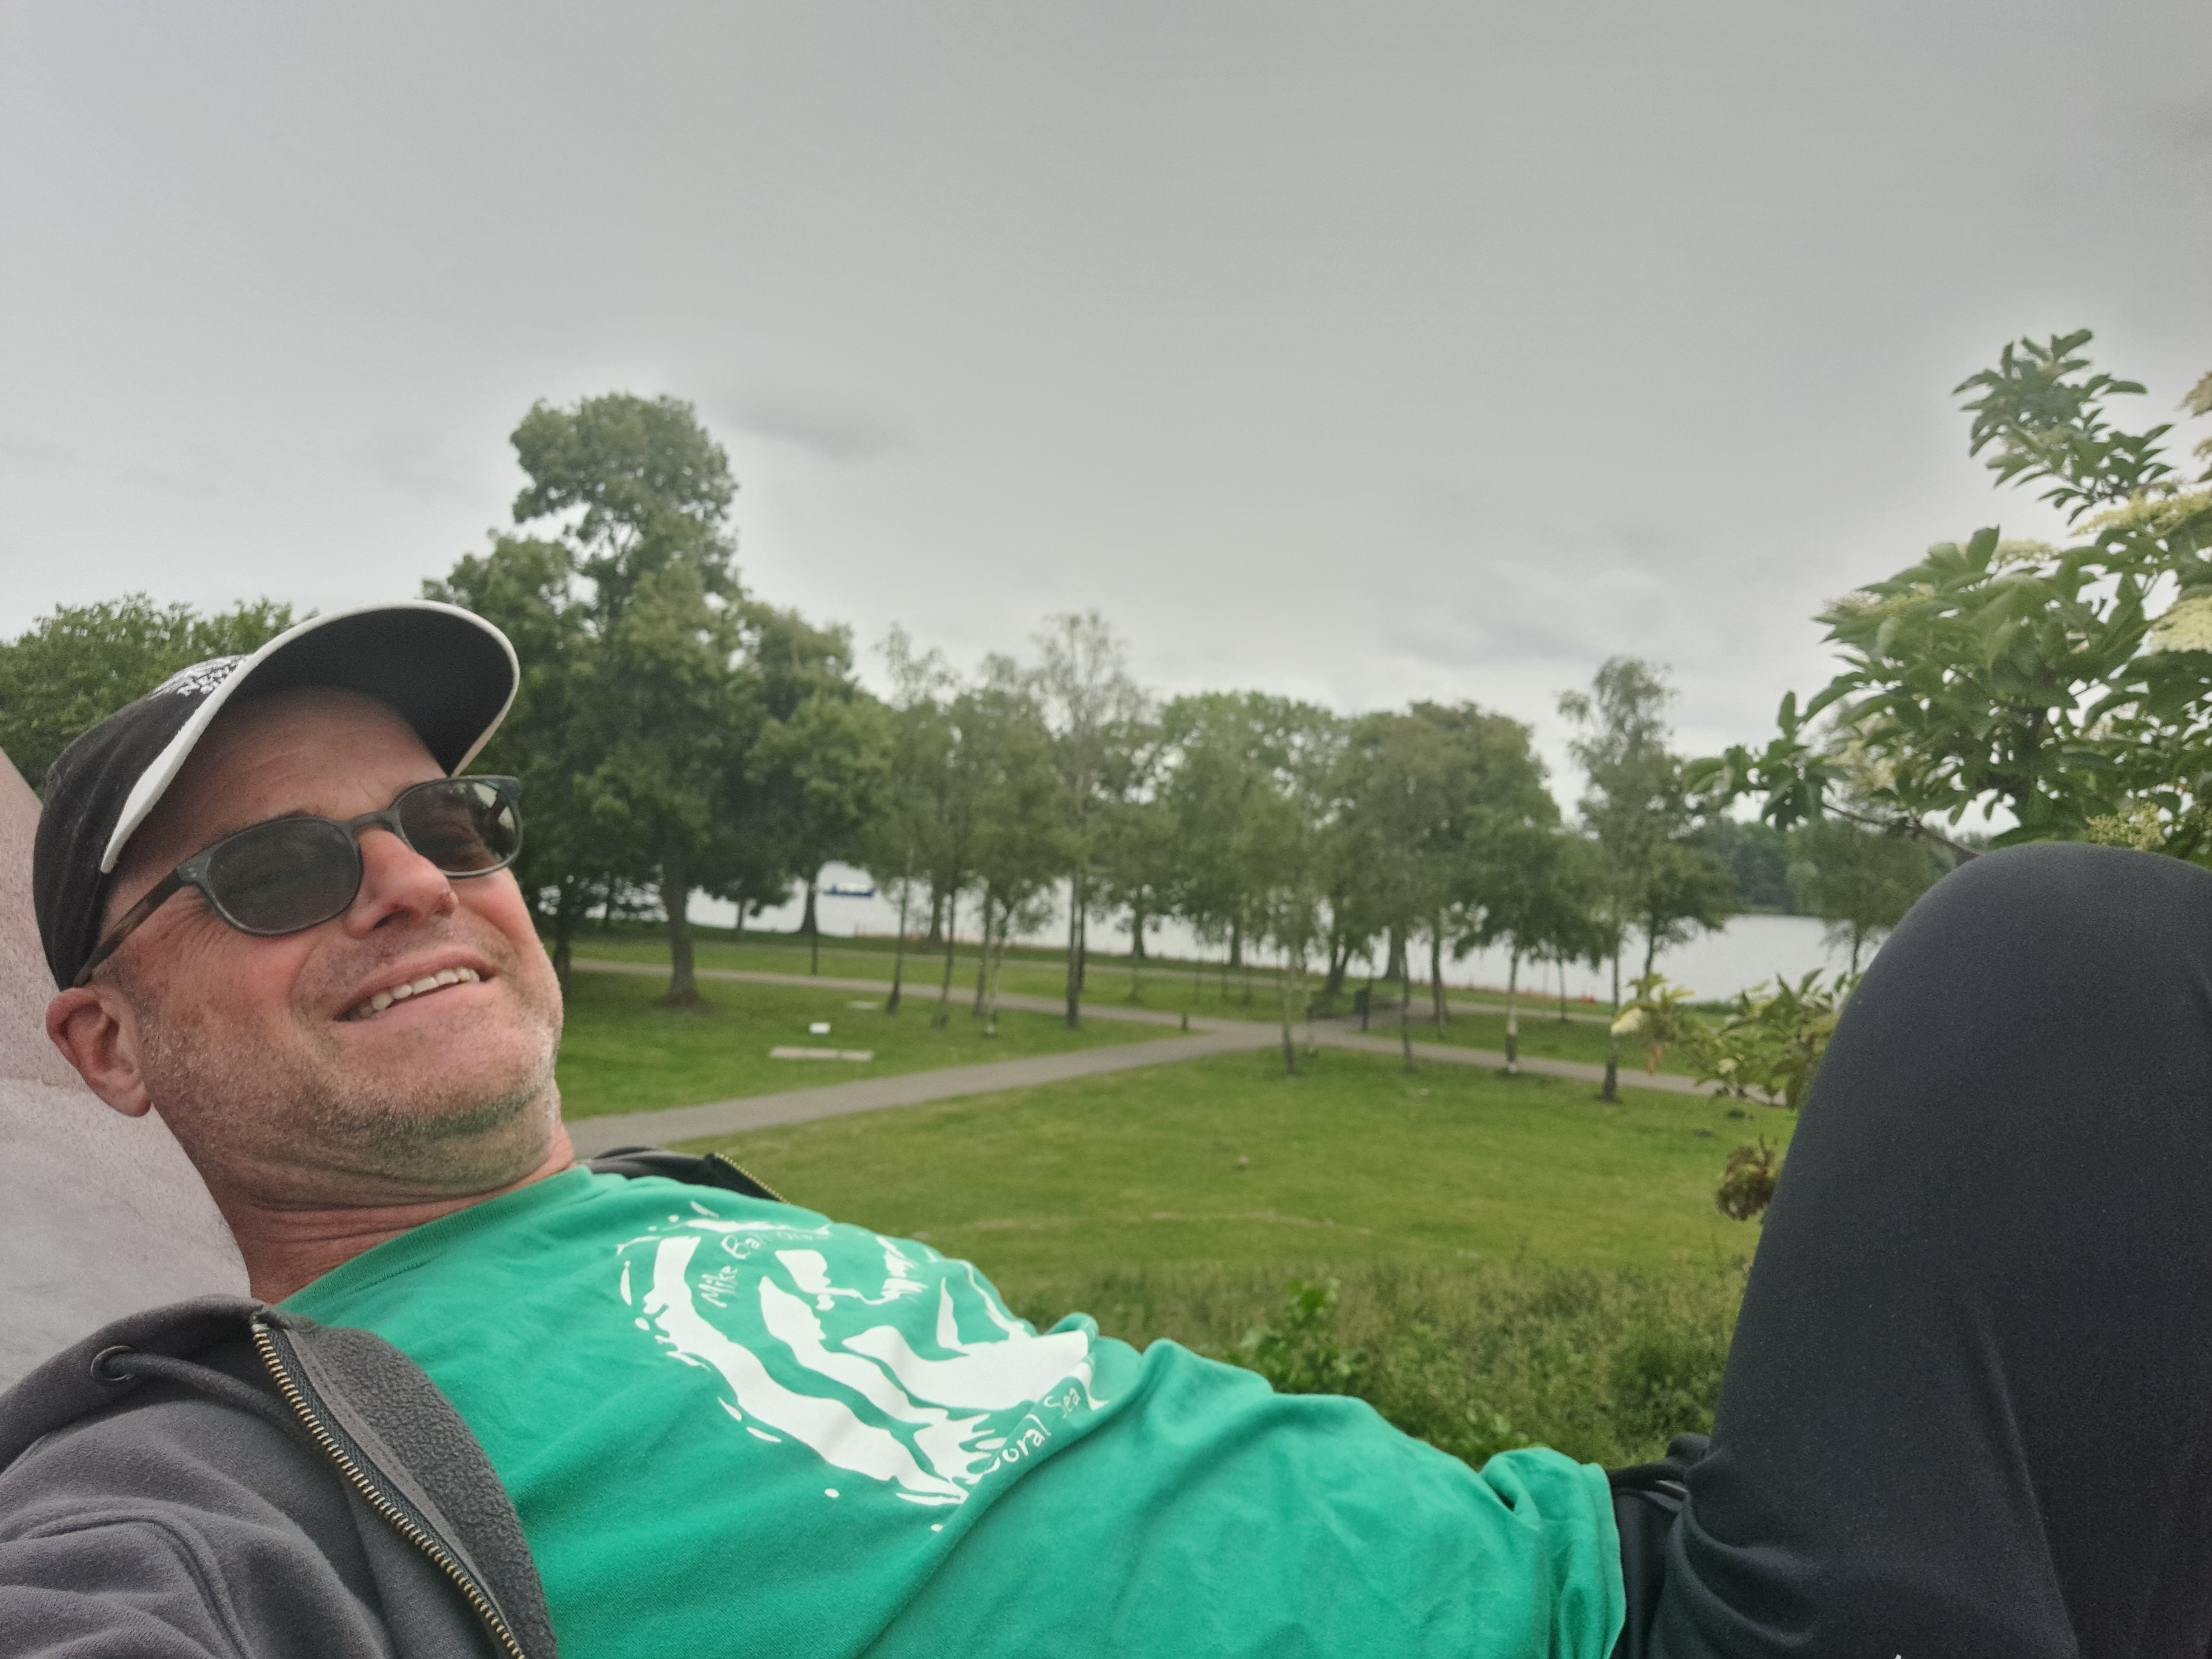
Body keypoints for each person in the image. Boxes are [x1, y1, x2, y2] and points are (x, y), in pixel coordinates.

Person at [4, 601, 2210, 1657]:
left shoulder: (680, 1216)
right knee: (2058, 958)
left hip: (1614, 1553)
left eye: (447, 824)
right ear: (107, 1047)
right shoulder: (224, 1455)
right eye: (277, 873)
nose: (411, 884)